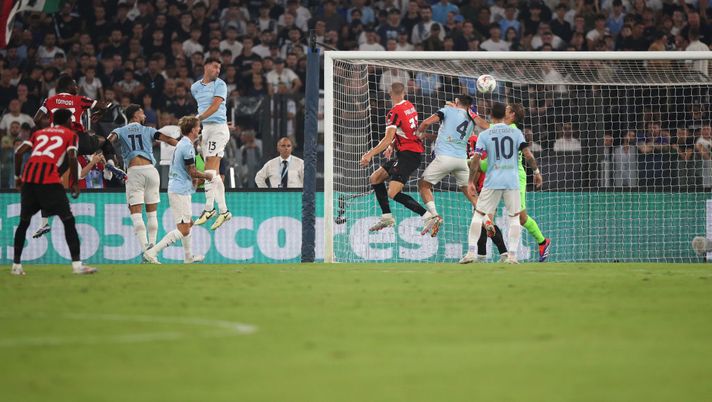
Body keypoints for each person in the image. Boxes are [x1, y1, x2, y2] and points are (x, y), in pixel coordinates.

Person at [11, 109, 96, 275]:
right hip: (49, 180)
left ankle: (16, 266)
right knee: (68, 220)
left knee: (24, 222)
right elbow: (72, 156)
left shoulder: (39, 133)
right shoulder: (71, 135)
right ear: (67, 121)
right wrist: (75, 183)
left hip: (29, 180)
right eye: (71, 120)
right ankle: (77, 265)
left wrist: (17, 177)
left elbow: (19, 152)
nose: (72, 123)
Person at [31, 74, 113, 238]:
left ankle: (44, 223)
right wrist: (100, 114)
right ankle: (109, 165)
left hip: (60, 144)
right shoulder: (79, 99)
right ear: (68, 86)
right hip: (79, 140)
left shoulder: (50, 101)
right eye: (75, 85)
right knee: (104, 142)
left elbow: (36, 118)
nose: (77, 87)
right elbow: (105, 105)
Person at [461, 102, 543, 265]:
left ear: (491, 116)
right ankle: (512, 256)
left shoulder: (485, 134)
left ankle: (471, 253)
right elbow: (527, 154)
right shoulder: (516, 133)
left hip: (493, 180)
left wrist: (470, 181)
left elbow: (477, 159)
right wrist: (536, 172)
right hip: (512, 180)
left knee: (479, 214)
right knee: (514, 218)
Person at [359, 82, 438, 233]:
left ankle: (429, 216)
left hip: (408, 156)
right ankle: (387, 216)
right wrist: (392, 145)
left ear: (390, 93)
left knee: (393, 192)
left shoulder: (393, 112)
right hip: (407, 153)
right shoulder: (409, 106)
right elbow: (406, 132)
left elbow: (388, 138)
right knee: (375, 178)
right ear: (404, 92)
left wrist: (370, 154)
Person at [107, 105, 178, 254]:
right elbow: (168, 139)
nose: (145, 115)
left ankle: (146, 249)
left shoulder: (120, 131)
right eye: (142, 113)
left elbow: (107, 143)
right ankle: (152, 250)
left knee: (136, 214)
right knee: (152, 214)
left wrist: (111, 160)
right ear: (134, 115)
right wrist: (186, 146)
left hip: (133, 173)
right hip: (151, 172)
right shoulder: (149, 130)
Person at [144, 116, 214, 264]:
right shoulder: (187, 146)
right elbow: (192, 172)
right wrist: (208, 176)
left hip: (181, 189)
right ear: (193, 130)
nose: (200, 129)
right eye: (198, 126)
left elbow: (190, 173)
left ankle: (188, 257)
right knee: (183, 229)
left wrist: (197, 181)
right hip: (179, 190)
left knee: (188, 224)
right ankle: (152, 252)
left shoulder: (184, 144)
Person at [415, 96, 478, 237]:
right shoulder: (472, 118)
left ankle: (434, 215)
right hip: (461, 160)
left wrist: (418, 134)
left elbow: (425, 123)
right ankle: (486, 218)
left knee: (424, 184)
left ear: (457, 103)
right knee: (468, 191)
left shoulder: (447, 111)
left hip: (445, 157)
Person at [191, 57, 232, 230]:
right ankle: (224, 211)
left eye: (219, 68)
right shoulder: (195, 87)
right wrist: (199, 123)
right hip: (206, 129)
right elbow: (202, 107)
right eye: (215, 67)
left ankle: (209, 209)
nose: (217, 70)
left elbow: (215, 107)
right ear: (206, 66)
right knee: (213, 173)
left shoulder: (220, 84)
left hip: (218, 128)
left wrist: (196, 119)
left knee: (209, 169)